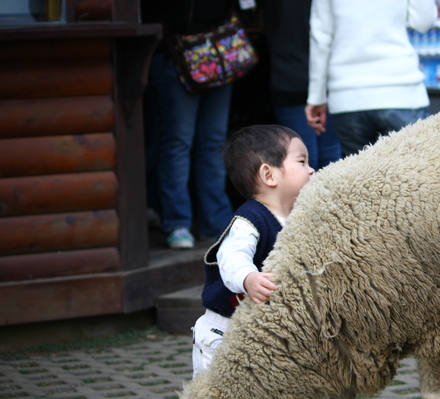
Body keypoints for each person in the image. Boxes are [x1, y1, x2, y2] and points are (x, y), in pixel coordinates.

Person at [191, 125, 315, 376]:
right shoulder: (249, 220)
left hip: (265, 335)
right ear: (269, 175)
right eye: (302, 161)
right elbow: (231, 256)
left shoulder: (298, 217)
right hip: (224, 333)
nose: (311, 169)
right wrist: (249, 278)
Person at [143, 0, 238, 249]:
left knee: (213, 141)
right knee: (178, 140)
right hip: (175, 52)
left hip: (218, 49)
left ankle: (216, 223)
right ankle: (177, 223)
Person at [305, 0, 437, 157]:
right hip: (400, 92)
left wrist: (316, 97)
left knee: (358, 179)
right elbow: (423, 21)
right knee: (414, 176)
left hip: (347, 97)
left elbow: (321, 37)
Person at [263, 0, 342, 170]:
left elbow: (270, 29)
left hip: (290, 74)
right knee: (327, 159)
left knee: (302, 162)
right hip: (319, 78)